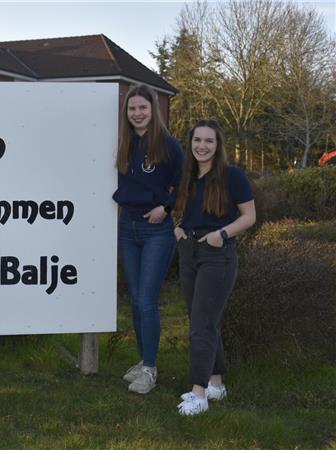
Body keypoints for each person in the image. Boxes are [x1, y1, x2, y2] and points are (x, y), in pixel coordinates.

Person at [173, 119, 255, 416]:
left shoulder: (233, 176)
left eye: (209, 141)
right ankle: (216, 385)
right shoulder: (188, 176)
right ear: (190, 143)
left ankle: (199, 394)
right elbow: (178, 209)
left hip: (217, 255)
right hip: (189, 251)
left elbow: (249, 216)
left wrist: (221, 234)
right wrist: (177, 229)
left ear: (218, 145)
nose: (202, 146)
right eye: (197, 140)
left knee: (202, 324)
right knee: (203, 320)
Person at [112, 84, 184, 394]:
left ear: (153, 110)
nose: (137, 113)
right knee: (135, 300)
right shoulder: (124, 144)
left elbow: (184, 183)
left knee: (146, 300)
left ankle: (150, 369)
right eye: (132, 108)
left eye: (143, 107)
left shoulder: (168, 145)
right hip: (127, 228)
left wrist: (165, 208)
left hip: (156, 231)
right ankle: (144, 361)